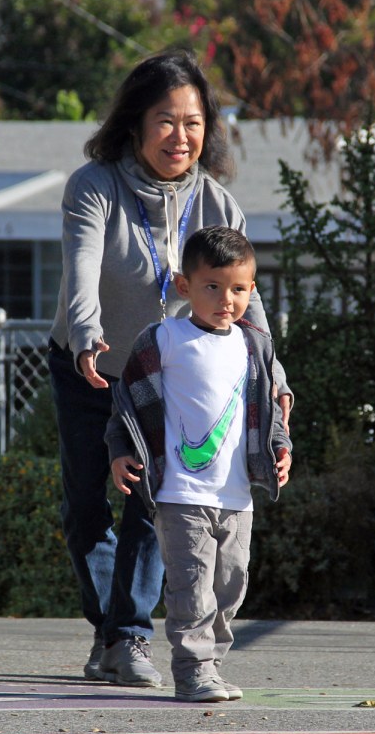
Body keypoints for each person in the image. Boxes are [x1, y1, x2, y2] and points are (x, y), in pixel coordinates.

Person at [49, 49, 291, 688]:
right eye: (165, 121)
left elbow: (248, 300)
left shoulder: (218, 202)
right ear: (134, 123)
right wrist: (86, 336)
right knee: (85, 506)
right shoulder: (94, 184)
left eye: (193, 122)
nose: (180, 137)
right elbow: (82, 270)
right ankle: (111, 629)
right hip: (92, 365)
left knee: (154, 500)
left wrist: (277, 377)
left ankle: (128, 637)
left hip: (172, 378)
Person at [106, 226, 291, 701]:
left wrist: (280, 448)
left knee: (230, 588)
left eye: (238, 289)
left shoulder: (254, 346)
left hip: (236, 496)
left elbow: (267, 408)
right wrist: (120, 451)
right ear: (185, 287)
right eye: (213, 286)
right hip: (180, 494)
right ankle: (191, 670)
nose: (226, 299)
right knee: (192, 588)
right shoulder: (163, 339)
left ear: (251, 291)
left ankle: (211, 664)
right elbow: (127, 402)